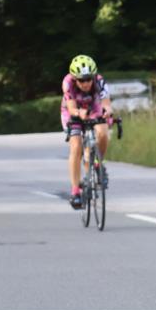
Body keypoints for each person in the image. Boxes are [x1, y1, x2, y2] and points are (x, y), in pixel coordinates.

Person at [61, 54, 113, 209]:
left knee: (103, 132)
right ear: (75, 78)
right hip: (73, 112)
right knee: (76, 146)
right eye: (81, 80)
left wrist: (107, 111)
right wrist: (78, 113)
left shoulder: (100, 81)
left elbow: (106, 104)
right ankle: (75, 191)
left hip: (93, 107)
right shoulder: (68, 82)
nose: (86, 83)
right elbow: (71, 107)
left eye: (88, 79)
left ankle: (97, 164)